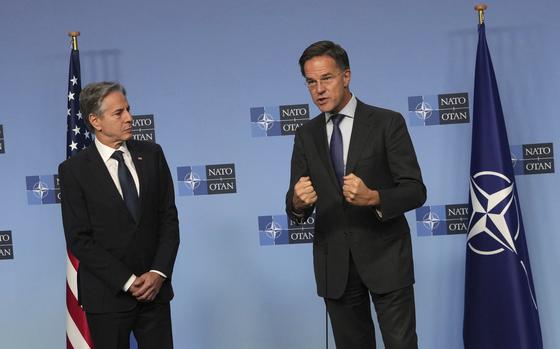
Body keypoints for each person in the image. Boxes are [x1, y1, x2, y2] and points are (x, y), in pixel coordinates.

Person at [286, 41, 426, 349]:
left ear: (346, 76)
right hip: (334, 267)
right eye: (311, 81)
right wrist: (297, 203)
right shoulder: (305, 135)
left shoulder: (387, 122)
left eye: (327, 78)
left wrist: (375, 197)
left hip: (386, 260)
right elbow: (296, 204)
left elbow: (415, 190)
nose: (319, 89)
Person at [59, 82, 180, 349]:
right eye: (118, 113)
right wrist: (127, 281)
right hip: (107, 296)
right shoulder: (74, 171)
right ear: (95, 121)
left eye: (128, 109)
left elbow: (168, 220)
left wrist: (158, 273)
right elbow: (79, 239)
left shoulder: (152, 155)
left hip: (154, 294)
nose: (129, 117)